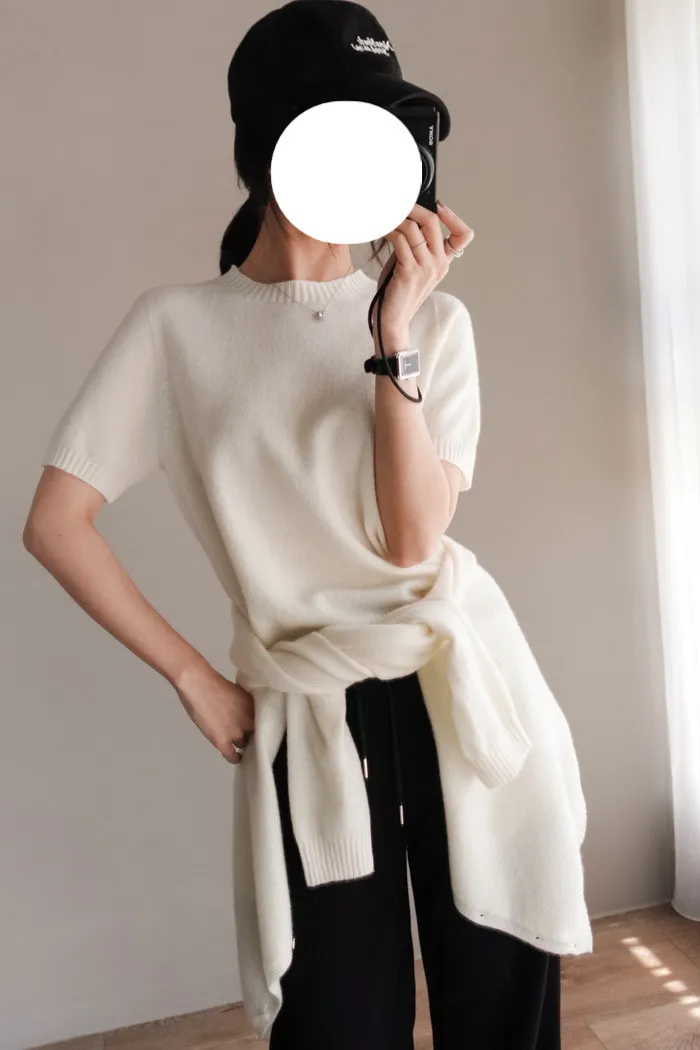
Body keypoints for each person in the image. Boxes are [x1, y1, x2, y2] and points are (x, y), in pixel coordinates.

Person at [23, 2, 592, 1048]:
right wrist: (194, 678)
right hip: (309, 706)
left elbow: (412, 541)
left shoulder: (435, 322)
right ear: (271, 145)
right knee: (338, 1024)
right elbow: (57, 521)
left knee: (502, 1011)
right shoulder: (176, 328)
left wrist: (392, 333)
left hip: (460, 680)